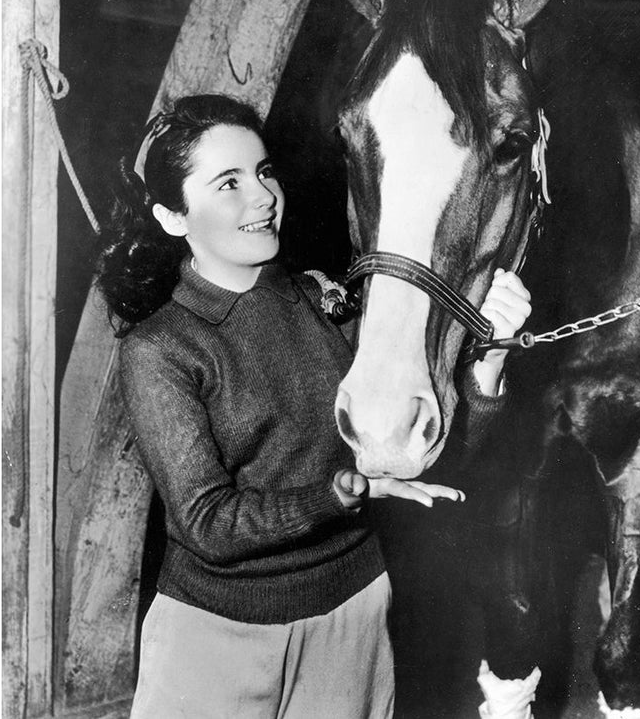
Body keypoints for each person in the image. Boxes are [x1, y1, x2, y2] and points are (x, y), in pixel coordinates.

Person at [96, 94, 533, 719]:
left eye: (265, 171)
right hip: (218, 634)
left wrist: (490, 358)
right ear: (172, 216)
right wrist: (346, 493)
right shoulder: (161, 347)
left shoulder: (326, 300)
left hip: (352, 619)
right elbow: (208, 525)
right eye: (228, 183)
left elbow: (443, 461)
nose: (264, 196)